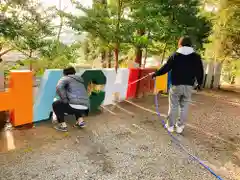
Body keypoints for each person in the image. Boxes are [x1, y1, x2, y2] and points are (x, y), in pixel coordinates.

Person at [152, 36, 204, 134]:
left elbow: (166, 67)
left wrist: (156, 74)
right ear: (190, 45)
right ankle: (180, 127)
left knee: (173, 106)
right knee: (184, 106)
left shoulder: (175, 55)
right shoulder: (196, 57)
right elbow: (200, 71)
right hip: (189, 86)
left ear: (180, 44)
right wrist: (200, 83)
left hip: (176, 85)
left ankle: (170, 126)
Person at [52, 66, 90, 132]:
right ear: (74, 72)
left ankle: (63, 125)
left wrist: (64, 100)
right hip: (86, 107)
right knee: (76, 101)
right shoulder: (80, 80)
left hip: (74, 107)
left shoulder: (65, 78)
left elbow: (58, 87)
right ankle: (81, 122)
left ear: (64, 73)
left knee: (55, 104)